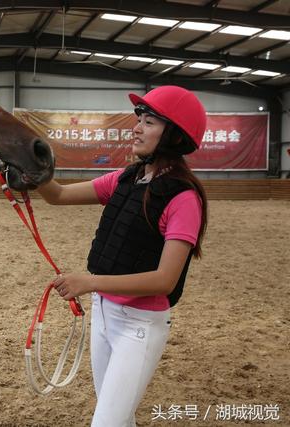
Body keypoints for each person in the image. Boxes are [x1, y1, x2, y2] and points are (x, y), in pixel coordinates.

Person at [37, 85, 208, 427]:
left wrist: (89, 282)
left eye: (149, 122)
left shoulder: (184, 199)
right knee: (119, 418)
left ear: (174, 134)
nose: (137, 128)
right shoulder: (126, 179)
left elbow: (164, 280)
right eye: (139, 119)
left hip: (139, 327)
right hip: (104, 315)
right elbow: (56, 195)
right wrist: (33, 169)